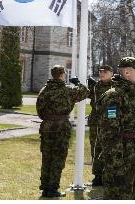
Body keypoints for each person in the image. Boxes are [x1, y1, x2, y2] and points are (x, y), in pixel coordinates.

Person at [98, 57, 135, 200]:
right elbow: (110, 134)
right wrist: (116, 167)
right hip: (122, 164)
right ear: (127, 72)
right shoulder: (114, 96)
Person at [36, 65, 89, 198]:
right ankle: (52, 189)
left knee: (47, 158)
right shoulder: (68, 90)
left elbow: (39, 110)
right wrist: (77, 82)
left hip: (47, 127)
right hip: (61, 128)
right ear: (62, 75)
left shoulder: (44, 90)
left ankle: (45, 188)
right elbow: (85, 91)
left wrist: (49, 119)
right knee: (58, 159)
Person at [87, 64, 113, 187]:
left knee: (108, 149)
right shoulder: (96, 86)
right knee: (95, 149)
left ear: (111, 73)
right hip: (95, 122)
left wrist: (112, 122)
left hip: (108, 124)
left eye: (105, 72)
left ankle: (108, 175)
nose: (101, 73)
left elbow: (113, 108)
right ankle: (98, 175)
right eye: (100, 71)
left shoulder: (115, 87)